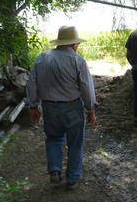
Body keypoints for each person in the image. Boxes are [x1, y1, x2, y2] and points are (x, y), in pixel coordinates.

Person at [25, 25, 97, 190]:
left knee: (53, 138)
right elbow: (87, 87)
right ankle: (72, 178)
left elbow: (32, 84)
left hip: (49, 107)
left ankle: (55, 171)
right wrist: (91, 109)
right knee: (75, 144)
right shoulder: (78, 60)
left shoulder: (42, 57)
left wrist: (33, 107)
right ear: (73, 44)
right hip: (72, 107)